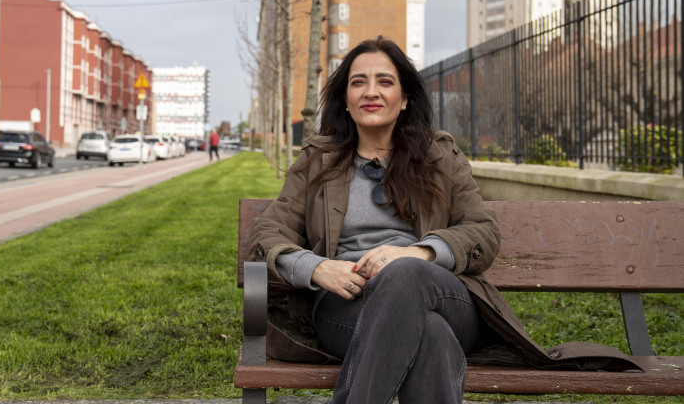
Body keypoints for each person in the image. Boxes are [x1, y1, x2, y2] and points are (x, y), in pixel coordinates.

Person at [246, 37, 639, 404]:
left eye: (385, 81)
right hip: (347, 305)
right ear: (345, 100)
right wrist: (318, 269)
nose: (371, 91)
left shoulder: (440, 157)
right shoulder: (318, 161)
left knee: (405, 275)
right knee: (430, 335)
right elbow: (266, 234)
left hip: (442, 292)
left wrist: (417, 254)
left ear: (403, 99)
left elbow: (482, 230)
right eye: (358, 82)